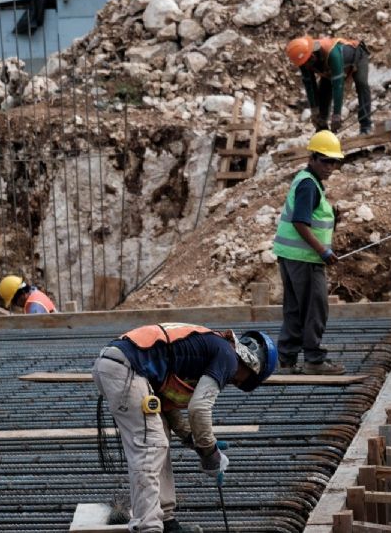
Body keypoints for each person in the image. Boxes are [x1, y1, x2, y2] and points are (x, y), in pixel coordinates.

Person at [93, 323, 277, 533]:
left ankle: (166, 520)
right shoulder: (228, 356)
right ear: (253, 367)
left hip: (116, 366)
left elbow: (169, 409)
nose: (235, 380)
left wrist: (192, 438)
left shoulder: (203, 349)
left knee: (159, 437)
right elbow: (198, 408)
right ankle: (148, 527)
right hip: (125, 369)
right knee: (151, 446)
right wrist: (210, 453)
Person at [272, 130, 345, 375]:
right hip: (305, 259)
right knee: (316, 308)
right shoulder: (308, 185)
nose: (330, 167)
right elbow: (300, 222)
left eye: (334, 161)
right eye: (325, 161)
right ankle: (314, 359)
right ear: (312, 158)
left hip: (292, 256)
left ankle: (287, 359)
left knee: (294, 308)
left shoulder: (307, 181)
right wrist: (323, 251)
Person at [286, 36, 373, 134]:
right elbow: (309, 84)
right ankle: (322, 129)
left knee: (362, 84)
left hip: (357, 57)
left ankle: (365, 126)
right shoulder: (303, 60)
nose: (306, 67)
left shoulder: (332, 54)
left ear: (312, 56)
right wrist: (315, 111)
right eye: (303, 64)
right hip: (330, 69)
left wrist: (337, 115)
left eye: (307, 63)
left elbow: (338, 85)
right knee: (323, 92)